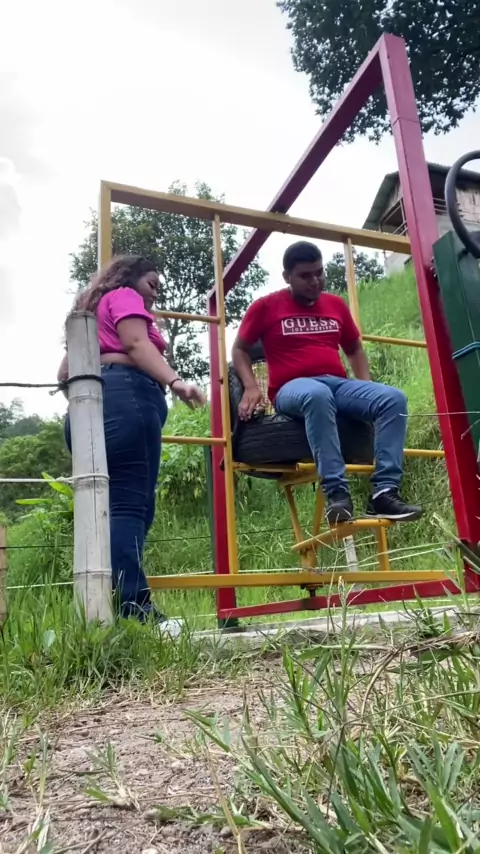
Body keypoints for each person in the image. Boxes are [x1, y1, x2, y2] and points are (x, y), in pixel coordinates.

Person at [58, 255, 206, 632]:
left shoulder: (91, 314)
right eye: (151, 284)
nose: (153, 295)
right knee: (131, 506)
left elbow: (63, 374)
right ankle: (135, 610)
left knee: (103, 508)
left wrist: (98, 392)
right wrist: (176, 382)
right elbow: (137, 343)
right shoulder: (124, 296)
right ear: (129, 278)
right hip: (128, 402)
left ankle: (100, 608)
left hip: (86, 410)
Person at [232, 240, 422, 525]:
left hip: (336, 384)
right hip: (291, 389)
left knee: (392, 398)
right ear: (287, 277)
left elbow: (354, 348)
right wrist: (250, 386)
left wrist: (366, 385)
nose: (315, 281)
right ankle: (337, 494)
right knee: (317, 394)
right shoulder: (266, 306)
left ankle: (384, 492)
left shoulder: (335, 304)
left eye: (319, 272)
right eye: (305, 275)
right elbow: (239, 349)